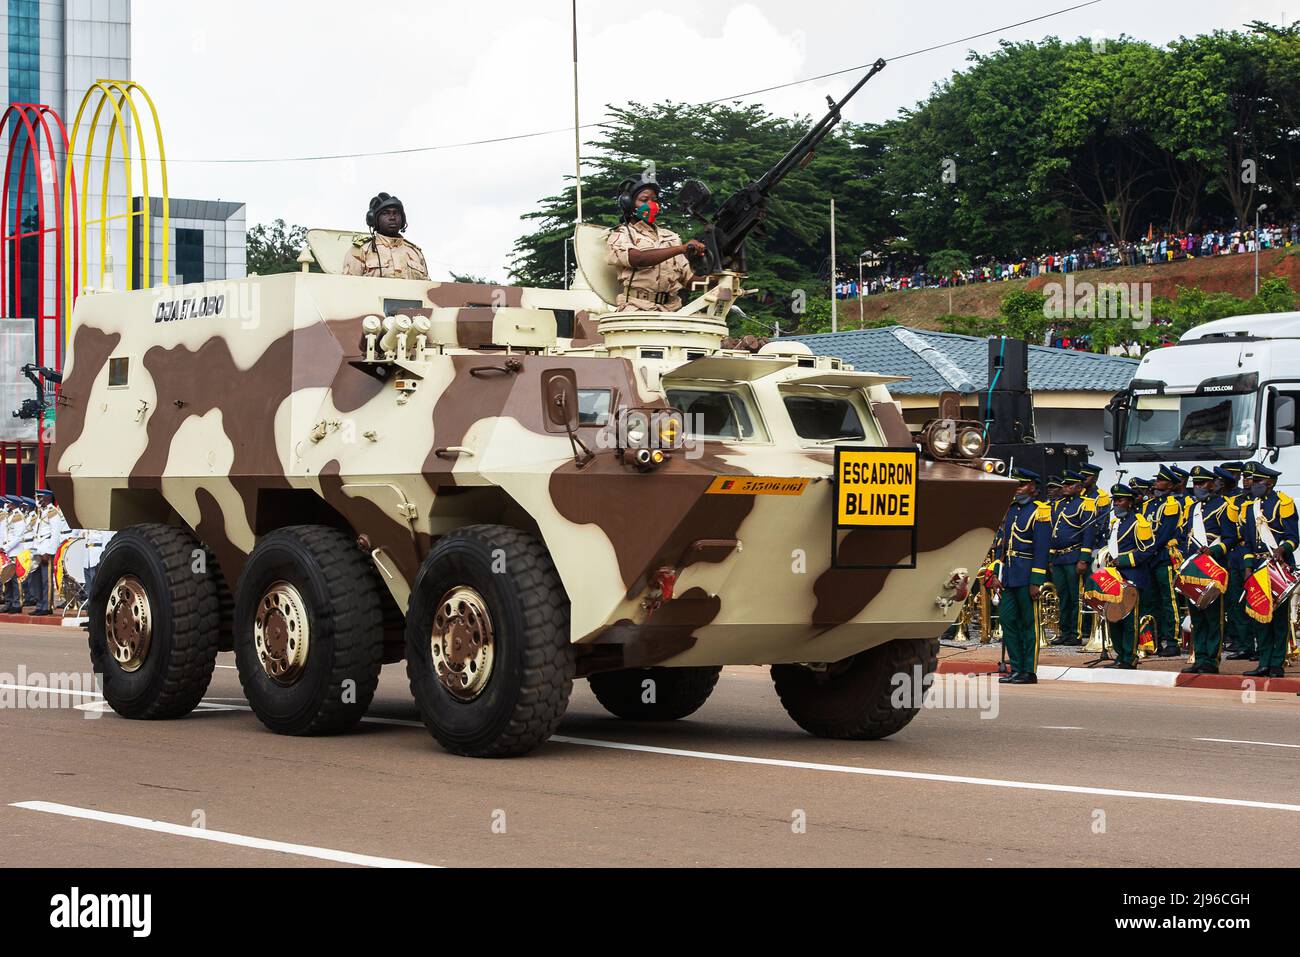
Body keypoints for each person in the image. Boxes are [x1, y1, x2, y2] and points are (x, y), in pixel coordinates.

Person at [604, 171, 706, 312]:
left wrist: (722, 279)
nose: (652, 205)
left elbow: (689, 281)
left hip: (672, 310)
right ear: (628, 203)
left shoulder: (671, 237)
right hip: (635, 309)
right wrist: (681, 249)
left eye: (654, 200)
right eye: (644, 200)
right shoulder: (621, 235)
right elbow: (639, 258)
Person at [1239, 462, 1298, 678]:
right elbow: (1247, 543)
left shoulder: (1284, 504)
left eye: (1257, 481)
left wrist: (1282, 549)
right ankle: (1263, 662)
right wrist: (1247, 568)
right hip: (1258, 567)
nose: (1253, 484)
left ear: (1269, 483)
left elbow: (1294, 538)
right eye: (1252, 481)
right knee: (1261, 618)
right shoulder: (1250, 508)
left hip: (1278, 567)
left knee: (1279, 619)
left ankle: (1276, 663)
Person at [995, 467, 1052, 684]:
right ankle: (1016, 667)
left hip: (1027, 574)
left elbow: (1041, 549)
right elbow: (1003, 545)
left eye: (1022, 484)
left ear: (1033, 487)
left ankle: (1028, 671)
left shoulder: (1040, 511)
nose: (1017, 489)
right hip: (1010, 574)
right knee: (1008, 620)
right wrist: (998, 572)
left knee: (1029, 624)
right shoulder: (1011, 510)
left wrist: (1036, 580)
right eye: (1016, 484)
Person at [1179, 466, 1237, 674]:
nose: (1198, 487)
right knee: (1197, 617)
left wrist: (1213, 550)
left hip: (1212, 568)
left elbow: (1231, 538)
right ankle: (1199, 657)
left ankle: (1211, 660)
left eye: (1202, 483)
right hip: (1194, 568)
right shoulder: (1191, 509)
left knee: (1213, 617)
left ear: (1213, 484)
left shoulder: (1223, 506)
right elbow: (1184, 537)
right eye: (1195, 483)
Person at [1096, 484, 1157, 668]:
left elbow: (1148, 549)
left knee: (1129, 619)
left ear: (1130, 502)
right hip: (1115, 578)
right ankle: (1119, 655)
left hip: (1133, 576)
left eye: (1120, 500)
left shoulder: (1139, 522)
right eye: (1115, 500)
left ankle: (1129, 656)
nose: (1116, 504)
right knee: (1114, 618)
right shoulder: (1115, 524)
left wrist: (1123, 560)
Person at [1048, 469, 1093, 646]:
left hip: (1074, 556)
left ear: (1079, 487)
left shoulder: (1085, 504)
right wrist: (1050, 557)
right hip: (1058, 558)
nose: (1064, 487)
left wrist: (1083, 559)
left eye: (1069, 484)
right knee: (1062, 596)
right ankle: (1064, 631)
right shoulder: (1058, 504)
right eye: (1064, 484)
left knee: (1076, 597)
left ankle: (1076, 632)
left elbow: (1088, 533)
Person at [1144, 465, 1185, 656]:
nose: (1156, 483)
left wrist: (1149, 549)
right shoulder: (1148, 504)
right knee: (1152, 601)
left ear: (1170, 485)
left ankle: (1172, 640)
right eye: (1157, 479)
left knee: (1169, 600)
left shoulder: (1171, 504)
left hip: (1163, 557)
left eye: (1161, 480)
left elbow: (1165, 532)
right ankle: (1154, 639)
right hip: (1149, 558)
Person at [1216, 462, 1255, 660]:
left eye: (1251, 478)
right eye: (1246, 477)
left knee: (1257, 601)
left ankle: (1259, 644)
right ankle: (1243, 643)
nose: (1248, 481)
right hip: (1236, 554)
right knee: (1236, 601)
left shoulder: (1262, 502)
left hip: (1257, 553)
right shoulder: (1236, 501)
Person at [342, 192, 430, 280]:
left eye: (396, 213)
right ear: (374, 220)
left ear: (403, 219)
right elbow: (349, 287)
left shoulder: (415, 253)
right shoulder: (361, 251)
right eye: (385, 213)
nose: (392, 217)